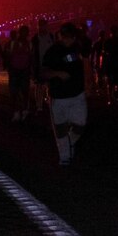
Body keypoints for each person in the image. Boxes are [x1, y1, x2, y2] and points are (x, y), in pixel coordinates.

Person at [41, 23, 88, 166]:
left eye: (71, 37)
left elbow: (86, 65)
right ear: (60, 36)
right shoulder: (53, 51)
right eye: (65, 37)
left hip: (77, 94)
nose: (68, 40)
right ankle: (64, 156)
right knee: (60, 128)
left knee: (80, 124)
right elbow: (44, 72)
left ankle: (69, 143)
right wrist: (57, 73)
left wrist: (89, 83)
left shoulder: (79, 48)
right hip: (59, 96)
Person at [6, 25, 33, 122]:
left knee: (24, 92)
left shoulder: (29, 44)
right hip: (15, 71)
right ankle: (16, 112)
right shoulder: (13, 43)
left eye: (26, 32)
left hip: (24, 71)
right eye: (23, 32)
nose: (24, 34)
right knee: (14, 93)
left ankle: (24, 110)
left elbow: (31, 57)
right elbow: (8, 56)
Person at [30, 19, 55, 115]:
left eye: (43, 25)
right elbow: (32, 54)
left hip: (50, 66)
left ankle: (50, 103)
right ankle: (39, 106)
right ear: (38, 26)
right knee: (39, 86)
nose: (42, 27)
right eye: (40, 26)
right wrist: (33, 68)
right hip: (39, 66)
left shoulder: (51, 37)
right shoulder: (35, 39)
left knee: (50, 86)